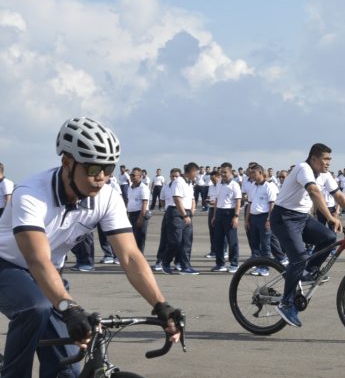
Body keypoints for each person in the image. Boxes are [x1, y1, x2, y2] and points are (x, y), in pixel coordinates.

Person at [0, 117, 182, 378]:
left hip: (49, 273)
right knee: (36, 307)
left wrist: (161, 305)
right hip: (8, 266)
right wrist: (70, 309)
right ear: (67, 162)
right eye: (94, 168)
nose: (102, 177)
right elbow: (38, 261)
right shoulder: (31, 193)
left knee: (68, 371)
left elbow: (130, 256)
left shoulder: (107, 195)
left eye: (109, 168)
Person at [270, 143, 345, 328]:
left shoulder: (325, 174)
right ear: (313, 158)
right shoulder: (303, 168)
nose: (328, 163)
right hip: (283, 217)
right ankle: (286, 303)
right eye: (325, 159)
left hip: (301, 217)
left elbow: (339, 196)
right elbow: (314, 191)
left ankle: (308, 272)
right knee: (298, 257)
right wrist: (331, 217)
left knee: (329, 238)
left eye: (330, 159)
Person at [162, 163, 199, 274]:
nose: (196, 175)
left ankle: (185, 266)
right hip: (176, 212)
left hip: (186, 212)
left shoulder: (189, 183)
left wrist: (190, 212)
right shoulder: (178, 181)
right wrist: (184, 215)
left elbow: (192, 199)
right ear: (190, 172)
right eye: (195, 173)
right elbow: (177, 199)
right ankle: (166, 262)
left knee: (187, 241)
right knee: (175, 241)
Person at [245, 164, 278, 276]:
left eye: (254, 172)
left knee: (265, 244)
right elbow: (249, 204)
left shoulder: (269, 186)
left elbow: (272, 204)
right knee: (255, 244)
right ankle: (258, 266)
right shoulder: (252, 186)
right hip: (253, 217)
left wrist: (269, 219)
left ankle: (265, 268)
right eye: (250, 173)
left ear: (260, 173)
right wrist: (247, 220)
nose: (251, 175)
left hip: (264, 217)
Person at [210, 162, 242, 273]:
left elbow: (238, 202)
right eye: (221, 172)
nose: (223, 174)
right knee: (218, 240)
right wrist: (214, 215)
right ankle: (220, 264)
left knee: (232, 240)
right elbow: (217, 200)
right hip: (219, 212)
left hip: (230, 213)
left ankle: (234, 263)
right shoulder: (219, 184)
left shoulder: (235, 185)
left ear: (230, 172)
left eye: (225, 172)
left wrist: (236, 216)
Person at [126, 167, 151, 253]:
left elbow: (145, 203)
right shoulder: (130, 187)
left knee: (140, 237)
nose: (132, 176)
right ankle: (134, 256)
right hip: (132, 214)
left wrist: (141, 218)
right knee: (132, 237)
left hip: (140, 214)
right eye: (131, 175)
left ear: (140, 176)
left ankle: (140, 256)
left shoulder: (143, 188)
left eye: (134, 175)